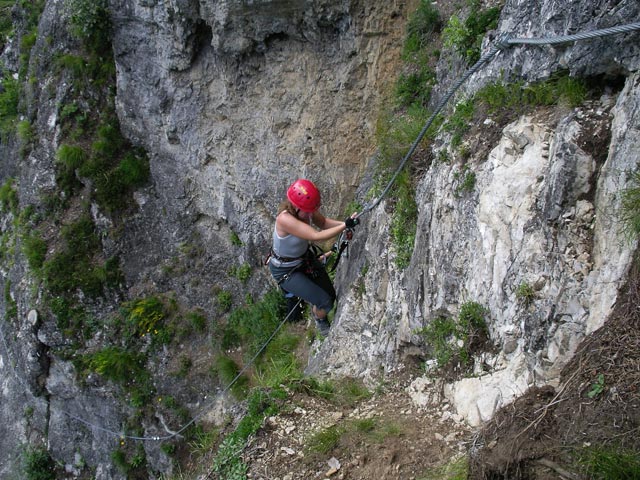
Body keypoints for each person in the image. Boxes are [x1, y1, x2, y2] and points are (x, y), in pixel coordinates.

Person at [268, 179, 358, 337]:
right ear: (296, 207)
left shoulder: (305, 210)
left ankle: (317, 307)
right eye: (308, 211)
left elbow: (323, 223)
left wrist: (346, 223)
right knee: (325, 302)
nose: (311, 214)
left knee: (330, 296)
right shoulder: (284, 219)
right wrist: (344, 226)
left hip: (304, 259)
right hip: (286, 271)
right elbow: (316, 236)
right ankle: (319, 318)